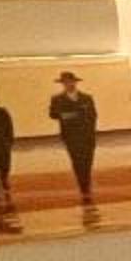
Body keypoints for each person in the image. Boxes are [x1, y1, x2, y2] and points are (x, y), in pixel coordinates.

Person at [48, 70, 100, 206]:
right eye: (65, 82)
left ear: (75, 82)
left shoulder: (87, 98)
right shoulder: (57, 99)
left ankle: (86, 183)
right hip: (71, 136)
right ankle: (84, 187)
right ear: (62, 84)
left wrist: (90, 131)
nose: (68, 84)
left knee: (87, 161)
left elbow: (93, 115)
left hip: (87, 136)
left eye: (70, 82)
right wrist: (69, 115)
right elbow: (53, 114)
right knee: (77, 161)